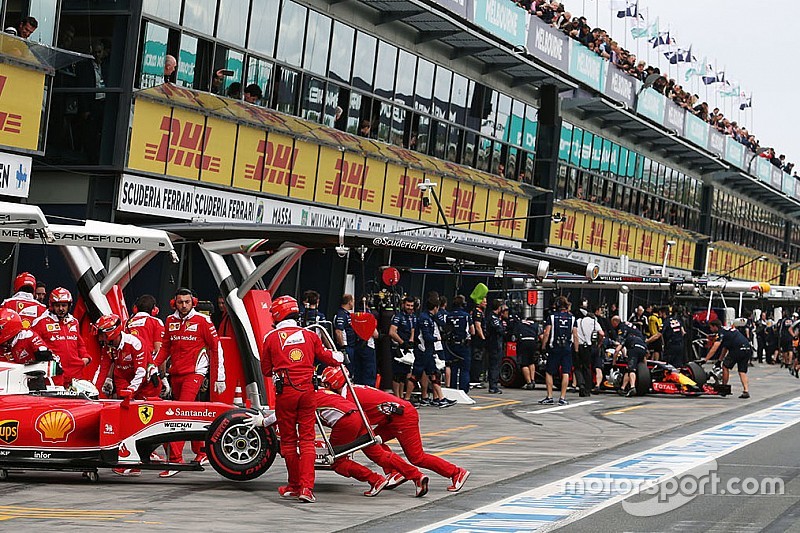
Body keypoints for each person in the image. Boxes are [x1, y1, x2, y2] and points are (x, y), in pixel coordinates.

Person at [249, 295, 344, 503]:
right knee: (307, 439)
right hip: (309, 392)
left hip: (286, 394)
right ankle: (306, 488)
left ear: (277, 314)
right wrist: (340, 357)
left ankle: (294, 484)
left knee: (290, 441)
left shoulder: (271, 338)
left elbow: (265, 369)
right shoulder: (310, 335)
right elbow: (330, 358)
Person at [326, 366, 469, 494]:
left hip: (402, 417)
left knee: (416, 457)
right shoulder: (353, 390)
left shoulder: (349, 397)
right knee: (371, 442)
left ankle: (456, 472)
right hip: (393, 417)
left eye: (326, 385)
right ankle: (394, 472)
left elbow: (358, 423)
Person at [156, 288, 226, 477]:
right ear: (174, 303)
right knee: (190, 411)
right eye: (180, 302)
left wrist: (220, 376)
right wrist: (152, 366)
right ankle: (202, 451)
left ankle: (175, 460)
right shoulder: (170, 321)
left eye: (187, 302)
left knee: (178, 414)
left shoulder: (203, 321)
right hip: (175, 374)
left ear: (193, 302)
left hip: (195, 374)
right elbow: (165, 348)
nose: (184, 305)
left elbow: (216, 347)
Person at [314, 387, 390, 497]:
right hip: (359, 414)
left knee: (337, 461)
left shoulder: (305, 398)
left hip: (347, 420)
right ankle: (415, 474)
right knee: (378, 453)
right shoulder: (322, 391)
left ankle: (374, 479)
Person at [31, 288, 91, 387]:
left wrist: (85, 357)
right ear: (51, 305)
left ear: (69, 306)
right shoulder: (40, 322)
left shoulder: (74, 322)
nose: (61, 309)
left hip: (75, 373)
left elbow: (80, 344)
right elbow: (32, 346)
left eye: (64, 305)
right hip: (54, 374)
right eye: (57, 305)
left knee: (76, 402)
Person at [406, 292, 454, 407]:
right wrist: (439, 338)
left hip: (428, 351)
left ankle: (441, 398)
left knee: (434, 374)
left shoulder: (430, 318)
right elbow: (427, 337)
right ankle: (406, 398)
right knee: (415, 375)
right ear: (436, 307)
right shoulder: (425, 319)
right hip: (422, 351)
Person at [539, 296, 578, 405]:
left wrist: (543, 346)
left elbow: (546, 333)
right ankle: (562, 397)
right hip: (567, 348)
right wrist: (576, 349)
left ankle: (550, 396)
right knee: (566, 372)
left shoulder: (552, 317)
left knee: (549, 372)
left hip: (554, 347)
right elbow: (575, 335)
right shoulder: (573, 318)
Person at [126, 294, 167, 394]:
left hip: (128, 370)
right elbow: (159, 350)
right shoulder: (156, 322)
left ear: (135, 309)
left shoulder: (126, 323)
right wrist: (162, 375)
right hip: (149, 371)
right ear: (154, 310)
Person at [704, 319, 751, 399]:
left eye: (711, 327)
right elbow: (725, 348)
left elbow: (715, 347)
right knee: (742, 371)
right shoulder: (727, 330)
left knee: (725, 366)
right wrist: (719, 360)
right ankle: (746, 391)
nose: (710, 329)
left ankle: (724, 387)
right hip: (747, 348)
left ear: (715, 327)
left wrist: (705, 359)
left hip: (738, 349)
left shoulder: (721, 333)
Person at [610, 316, 648, 397]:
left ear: (615, 322)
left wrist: (613, 363)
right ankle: (623, 388)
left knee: (631, 369)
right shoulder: (631, 328)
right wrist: (646, 368)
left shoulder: (623, 330)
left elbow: (617, 350)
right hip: (643, 347)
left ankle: (632, 387)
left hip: (634, 348)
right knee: (628, 369)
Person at [388, 295, 416, 397]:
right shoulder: (398, 316)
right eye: (408, 305)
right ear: (404, 305)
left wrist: (411, 341)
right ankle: (397, 396)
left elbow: (413, 329)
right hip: (398, 348)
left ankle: (402, 396)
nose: (409, 307)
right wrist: (402, 343)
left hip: (408, 348)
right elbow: (391, 332)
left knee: (405, 373)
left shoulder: (413, 317)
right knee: (397, 374)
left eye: (411, 305)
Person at [444, 295, 471, 392]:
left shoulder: (448, 316)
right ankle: (463, 390)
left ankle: (453, 389)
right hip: (463, 345)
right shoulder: (466, 316)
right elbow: (471, 331)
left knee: (453, 368)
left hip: (452, 345)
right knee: (464, 369)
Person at [575, 306, 603, 397]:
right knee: (587, 367)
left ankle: (581, 384)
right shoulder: (594, 322)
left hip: (578, 346)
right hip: (589, 346)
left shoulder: (578, 321)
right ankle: (588, 388)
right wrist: (599, 343)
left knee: (577, 367)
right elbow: (602, 334)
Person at [514, 314, 542, 391]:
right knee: (531, 362)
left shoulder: (520, 324)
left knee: (524, 363)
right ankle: (533, 380)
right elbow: (540, 335)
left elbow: (515, 335)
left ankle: (529, 382)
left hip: (523, 342)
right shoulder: (536, 325)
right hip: (533, 342)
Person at [485, 299, 506, 394]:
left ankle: (493, 384)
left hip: (495, 344)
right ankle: (493, 386)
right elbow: (499, 329)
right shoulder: (493, 317)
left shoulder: (495, 317)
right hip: (494, 344)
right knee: (494, 365)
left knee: (495, 364)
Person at [470, 297, 487, 387]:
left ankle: (475, 377)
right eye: (484, 302)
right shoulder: (477, 313)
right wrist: (483, 337)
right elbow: (477, 326)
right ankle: (474, 379)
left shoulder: (479, 312)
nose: (485, 303)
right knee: (477, 358)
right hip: (477, 340)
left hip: (477, 339)